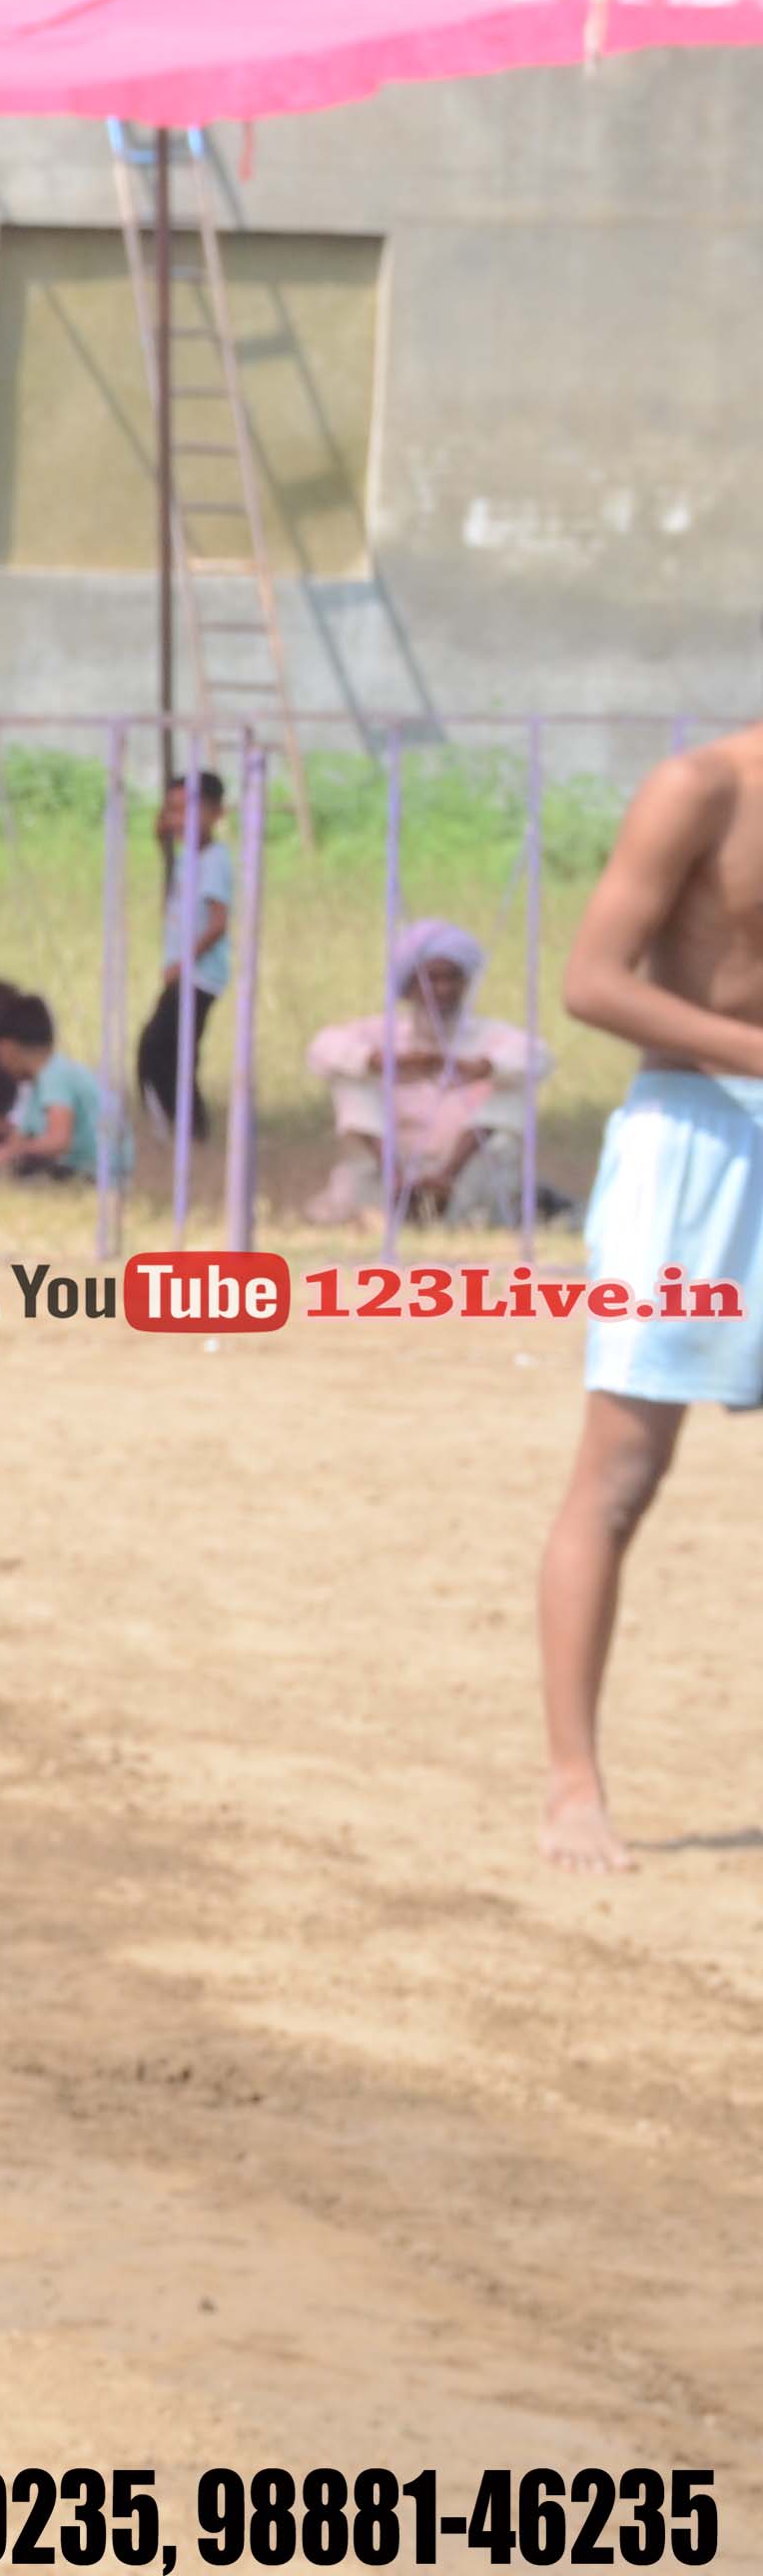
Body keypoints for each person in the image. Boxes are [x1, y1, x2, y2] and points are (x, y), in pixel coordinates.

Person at [539, 715, 763, 1873]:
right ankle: (572, 1787)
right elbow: (588, 983)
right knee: (620, 1475)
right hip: (694, 1146)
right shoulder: (698, 787)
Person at [305, 918, 555, 1226]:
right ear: (409, 986)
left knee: (513, 1084)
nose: (443, 989)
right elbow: (321, 1049)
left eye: (452, 978)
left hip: (467, 1179)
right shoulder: (383, 1033)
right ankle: (396, 1181)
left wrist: (481, 1067)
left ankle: (444, 1179)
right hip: (387, 1175)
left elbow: (540, 1056)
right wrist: (380, 1061)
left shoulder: (486, 1036)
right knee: (351, 1078)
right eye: (431, 979)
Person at [135, 769, 238, 1149]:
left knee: (160, 1049)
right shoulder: (188, 856)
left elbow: (219, 923)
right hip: (185, 974)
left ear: (216, 814)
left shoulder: (214, 861)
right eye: (173, 811)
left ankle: (189, 1128)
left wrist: (184, 962)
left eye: (188, 811)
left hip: (199, 976)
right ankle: (182, 1126)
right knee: (168, 1049)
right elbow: (163, 840)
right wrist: (161, 830)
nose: (179, 820)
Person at [0, 985, 124, 1185]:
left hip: (93, 1173)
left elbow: (58, 1141)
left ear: (8, 1048)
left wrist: (11, 1153)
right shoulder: (42, 1082)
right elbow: (17, 1139)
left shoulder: (55, 1076)